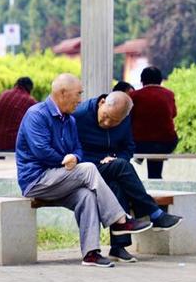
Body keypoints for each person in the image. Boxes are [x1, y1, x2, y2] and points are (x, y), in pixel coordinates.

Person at [16, 73, 152, 268]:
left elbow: (79, 149)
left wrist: (76, 158)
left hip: (61, 179)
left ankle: (91, 254)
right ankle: (119, 221)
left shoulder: (70, 120)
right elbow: (41, 151)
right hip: (37, 181)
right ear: (63, 93)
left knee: (86, 195)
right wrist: (66, 160)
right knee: (88, 169)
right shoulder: (36, 114)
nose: (80, 99)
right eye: (78, 94)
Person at [73, 91, 183, 262]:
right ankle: (153, 212)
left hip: (109, 168)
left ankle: (118, 247)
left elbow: (128, 147)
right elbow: (71, 148)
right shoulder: (79, 116)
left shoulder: (124, 121)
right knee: (121, 167)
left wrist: (116, 159)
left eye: (114, 122)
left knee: (117, 183)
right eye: (106, 117)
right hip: (85, 169)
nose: (107, 123)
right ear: (102, 103)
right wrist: (98, 161)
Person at [131, 66, 178, 179]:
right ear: (160, 80)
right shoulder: (169, 94)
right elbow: (173, 114)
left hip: (140, 143)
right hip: (165, 142)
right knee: (155, 169)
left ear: (142, 81)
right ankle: (156, 183)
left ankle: (140, 158)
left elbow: (128, 117)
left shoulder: (134, 96)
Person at [0, 77, 37, 151]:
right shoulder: (29, 100)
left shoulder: (4, 94)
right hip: (10, 144)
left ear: (16, 84)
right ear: (30, 89)